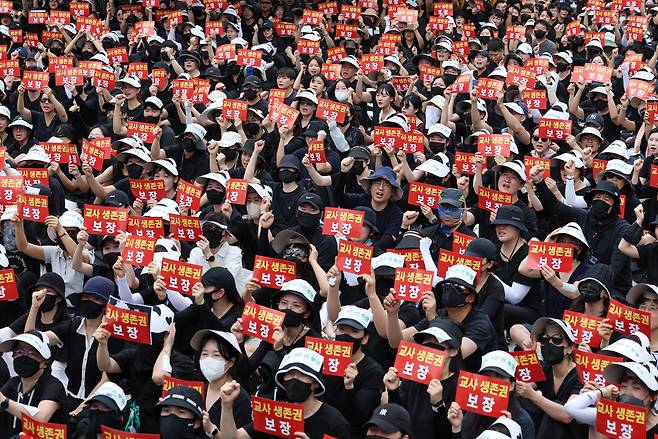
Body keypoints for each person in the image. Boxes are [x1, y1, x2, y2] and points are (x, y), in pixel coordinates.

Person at [218, 348, 351, 438]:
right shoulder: (275, 413)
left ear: (315, 382)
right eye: (290, 374)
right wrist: (227, 405)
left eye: (302, 375)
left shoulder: (334, 423)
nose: (294, 379)